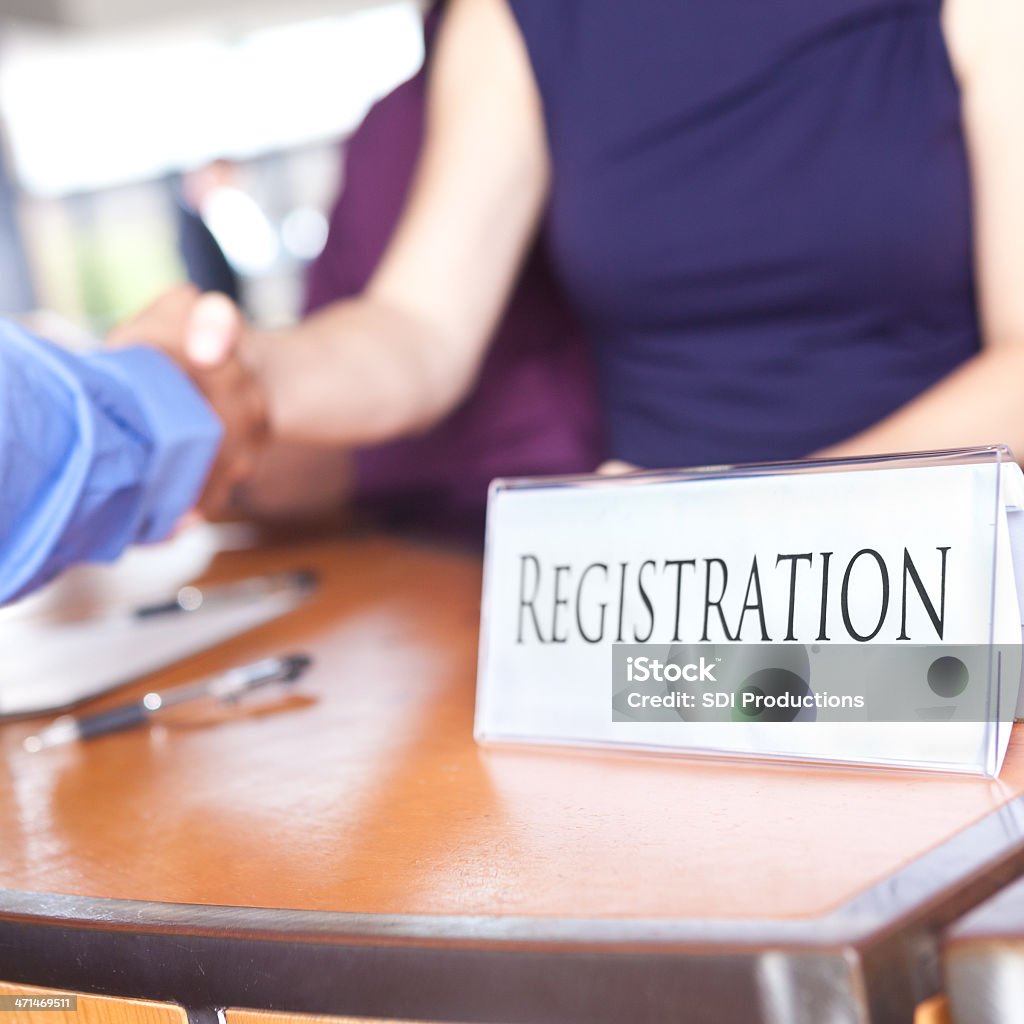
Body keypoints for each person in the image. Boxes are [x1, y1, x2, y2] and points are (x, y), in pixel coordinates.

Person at [161, 0, 1024, 512]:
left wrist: (756, 523)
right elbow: (418, 328)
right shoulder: (518, 18)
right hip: (664, 610)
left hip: (942, 573)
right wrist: (249, 376)